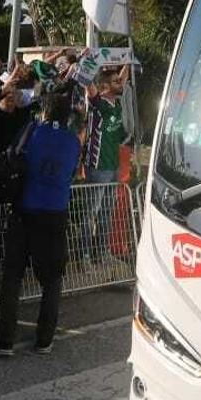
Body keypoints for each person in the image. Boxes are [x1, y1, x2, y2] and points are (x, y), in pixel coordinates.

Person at [0, 87, 80, 356]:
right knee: (52, 281)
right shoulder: (73, 142)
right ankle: (44, 339)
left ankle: (5, 341)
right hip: (55, 213)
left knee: (13, 277)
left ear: (43, 111)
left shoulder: (31, 132)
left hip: (24, 210)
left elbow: (13, 157)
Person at [80, 64, 130, 262]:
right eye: (116, 81)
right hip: (97, 166)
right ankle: (84, 255)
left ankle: (102, 253)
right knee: (90, 212)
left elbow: (123, 78)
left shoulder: (116, 101)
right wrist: (88, 62)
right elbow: (87, 84)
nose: (121, 83)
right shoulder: (97, 102)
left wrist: (127, 59)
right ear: (105, 86)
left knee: (107, 212)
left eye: (120, 80)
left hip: (113, 166)